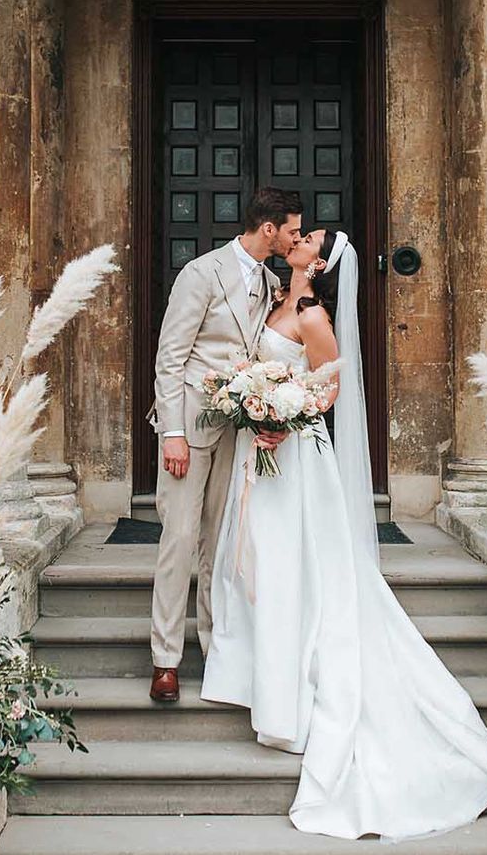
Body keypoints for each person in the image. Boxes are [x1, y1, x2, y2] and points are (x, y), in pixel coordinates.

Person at [201, 227, 487, 840]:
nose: (296, 236)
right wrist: (250, 399)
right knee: (264, 563)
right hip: (263, 457)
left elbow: (329, 391)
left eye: (307, 237)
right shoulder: (272, 299)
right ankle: (257, 671)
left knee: (299, 567)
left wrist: (278, 413)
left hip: (294, 455)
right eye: (295, 231)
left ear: (317, 263)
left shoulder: (312, 315)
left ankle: (290, 690)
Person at [147, 188, 302, 702]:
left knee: (221, 542)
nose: (294, 238)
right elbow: (171, 358)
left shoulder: (270, 279)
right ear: (268, 230)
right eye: (291, 231)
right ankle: (165, 660)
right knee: (179, 539)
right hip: (188, 428)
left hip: (235, 427)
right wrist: (172, 432)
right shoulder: (200, 274)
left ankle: (215, 652)